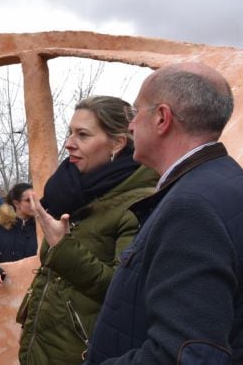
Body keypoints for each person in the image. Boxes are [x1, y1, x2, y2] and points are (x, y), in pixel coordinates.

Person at [86, 63, 243, 364]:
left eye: (135, 112)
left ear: (162, 118)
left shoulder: (191, 208)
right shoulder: (222, 182)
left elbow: (185, 355)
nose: (130, 126)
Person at [18, 96, 159, 364]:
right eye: (70, 132)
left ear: (118, 143)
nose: (69, 143)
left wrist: (64, 248)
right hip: (42, 347)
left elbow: (124, 291)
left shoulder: (140, 204)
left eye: (82, 135)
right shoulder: (69, 194)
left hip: (87, 353)